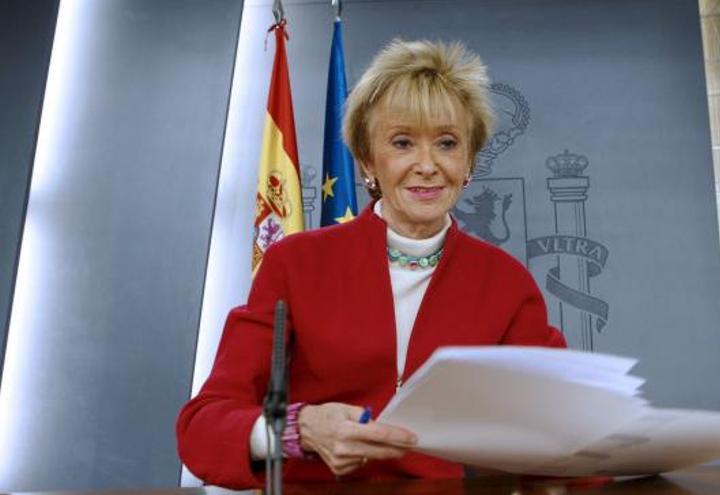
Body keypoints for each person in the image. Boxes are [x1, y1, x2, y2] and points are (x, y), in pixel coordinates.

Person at [176, 39, 566, 488]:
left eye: (447, 142)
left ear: (469, 161)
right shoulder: (296, 263)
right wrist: (295, 430)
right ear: (367, 161)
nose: (427, 165)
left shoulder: (506, 283)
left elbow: (563, 429)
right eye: (402, 142)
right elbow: (202, 428)